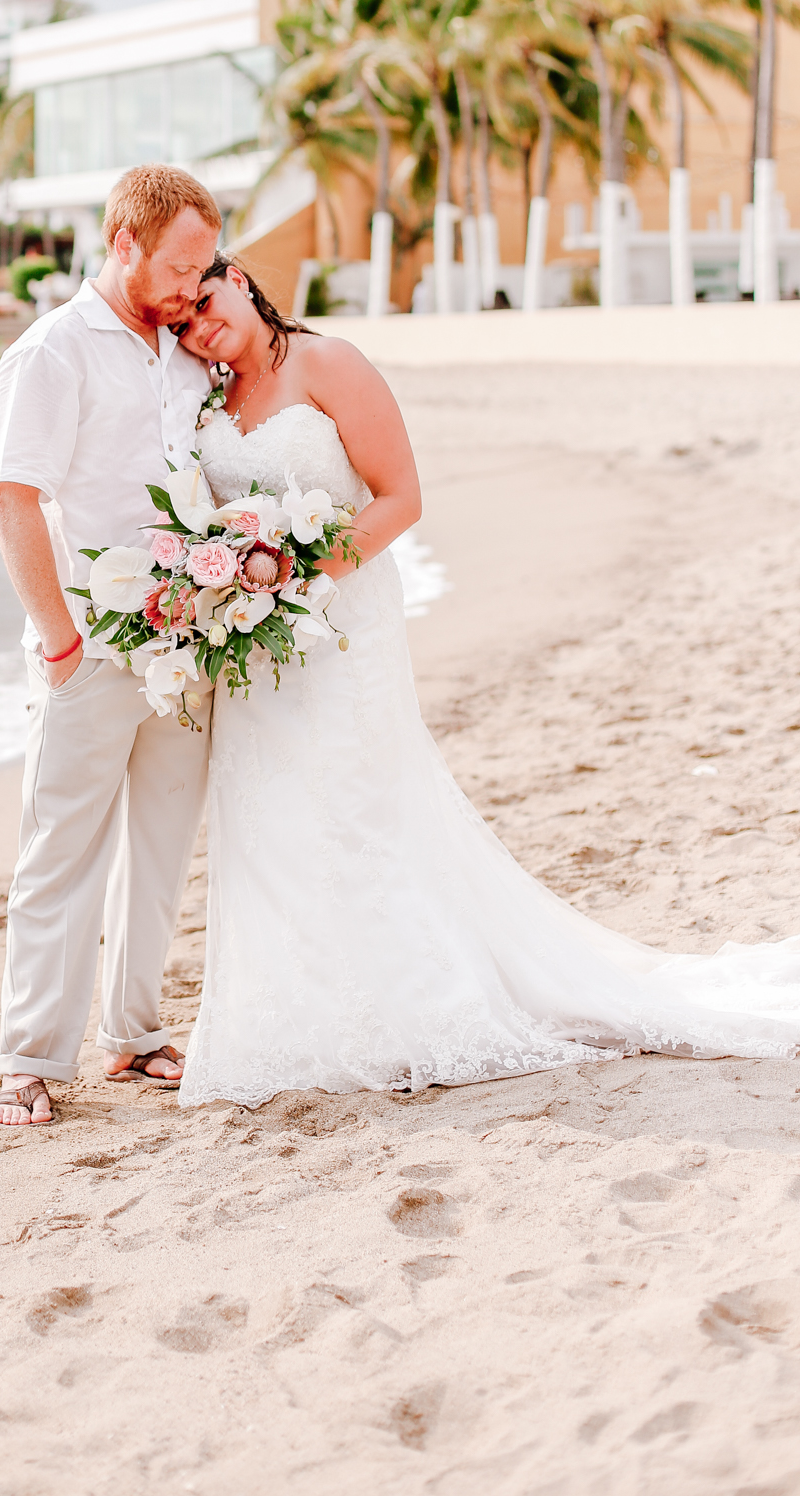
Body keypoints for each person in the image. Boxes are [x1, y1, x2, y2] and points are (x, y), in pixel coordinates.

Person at [175, 255, 800, 1107]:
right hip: (258, 644)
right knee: (272, 819)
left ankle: (414, 1007)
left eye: (203, 304)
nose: (196, 327)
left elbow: (400, 498)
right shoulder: (206, 399)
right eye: (178, 323)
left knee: (357, 804)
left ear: (239, 279)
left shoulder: (328, 364)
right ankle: (306, 1019)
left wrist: (302, 574)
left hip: (344, 622)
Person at [0, 164, 224, 1127]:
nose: (192, 286)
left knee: (161, 848)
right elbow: (13, 496)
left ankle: (133, 1034)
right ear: (122, 243)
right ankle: (30, 1057)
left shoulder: (182, 349)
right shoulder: (51, 353)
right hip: (91, 644)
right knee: (61, 850)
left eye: (203, 267)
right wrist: (60, 642)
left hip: (191, 644)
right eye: (178, 266)